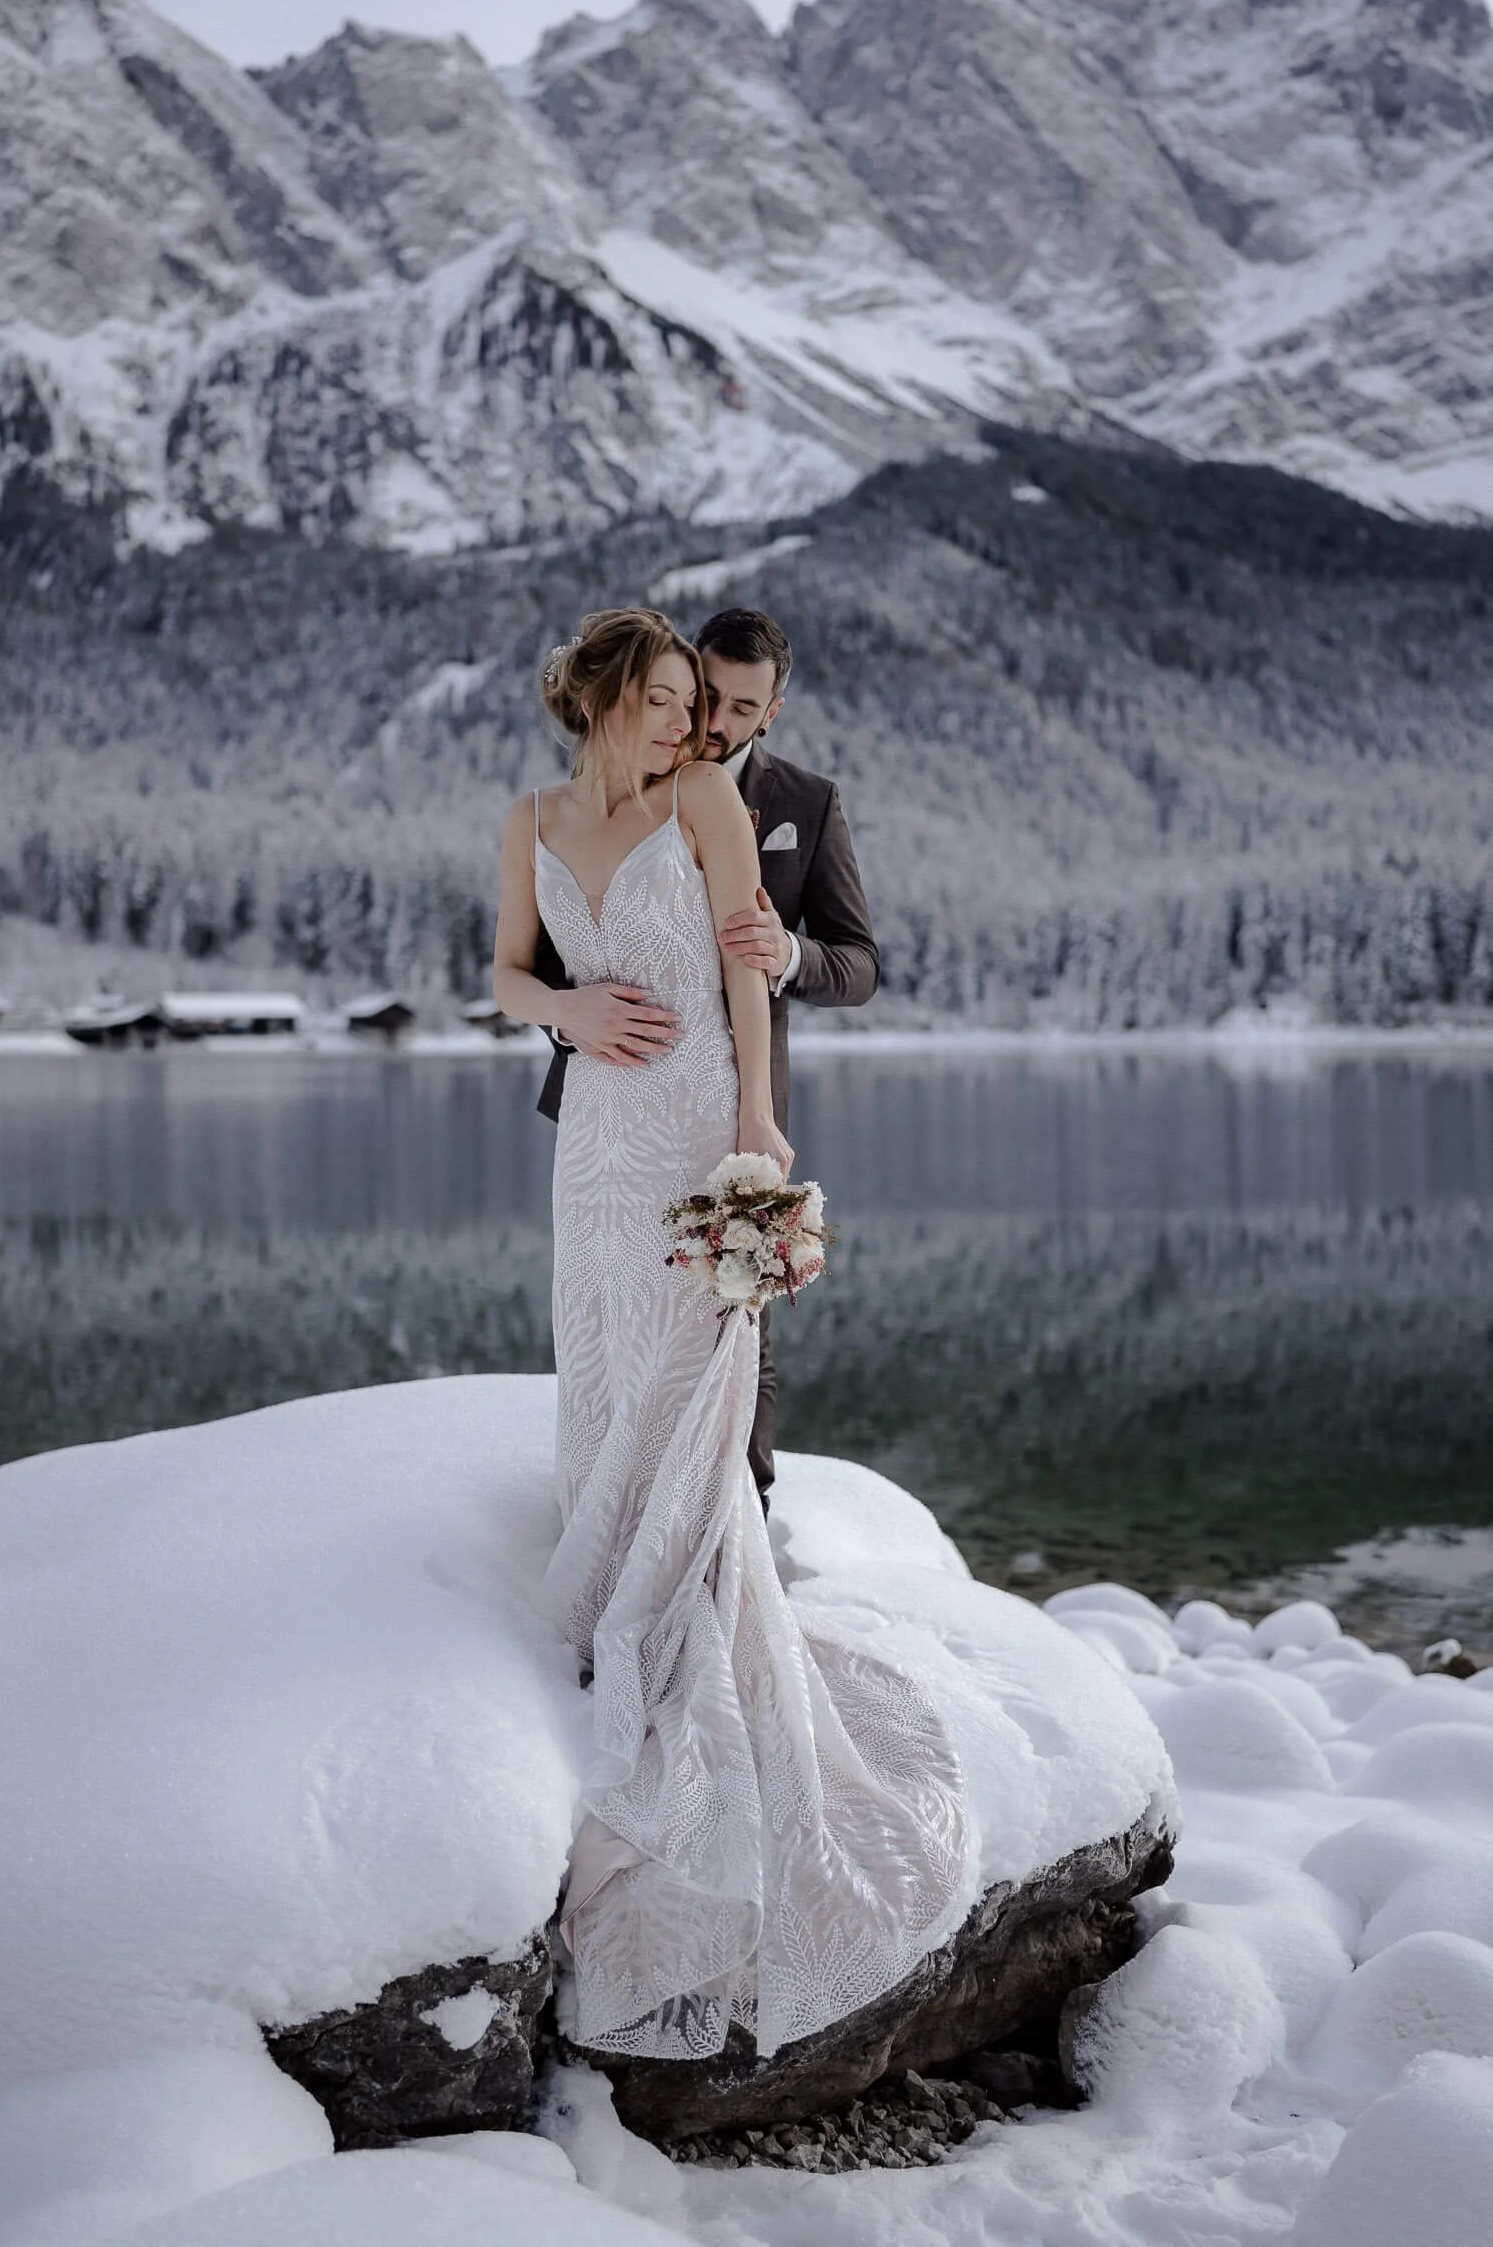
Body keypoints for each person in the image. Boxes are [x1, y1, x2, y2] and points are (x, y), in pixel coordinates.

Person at [493, 608, 967, 2064]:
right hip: (597, 1131)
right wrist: (564, 1009)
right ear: (607, 697)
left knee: (706, 1372)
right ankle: (613, 1570)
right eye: (672, 699)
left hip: (702, 1107)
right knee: (604, 1359)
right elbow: (508, 972)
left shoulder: (724, 800)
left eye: (714, 705)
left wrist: (758, 1117)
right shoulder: (530, 818)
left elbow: (780, 970)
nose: (696, 725)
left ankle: (695, 1579)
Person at [531, 606, 879, 1506]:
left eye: (739, 708)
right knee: (610, 1316)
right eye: (702, 696)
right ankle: (616, 1509)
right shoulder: (603, 787)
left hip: (731, 1097)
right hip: (608, 1107)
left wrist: (786, 952)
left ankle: (733, 1520)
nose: (709, 723)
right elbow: (554, 957)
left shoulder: (806, 803)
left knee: (736, 1320)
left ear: (774, 711)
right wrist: (570, 1019)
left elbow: (861, 964)